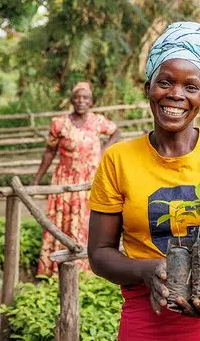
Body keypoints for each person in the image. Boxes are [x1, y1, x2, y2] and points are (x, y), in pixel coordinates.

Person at [87, 22, 200, 341]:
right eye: (165, 82)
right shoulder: (118, 159)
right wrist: (145, 270)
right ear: (148, 88)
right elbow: (100, 253)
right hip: (149, 317)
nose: (176, 94)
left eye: (190, 86)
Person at [33, 81, 120, 275]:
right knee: (61, 223)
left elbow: (116, 131)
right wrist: (37, 179)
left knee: (89, 223)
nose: (81, 101)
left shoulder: (98, 121)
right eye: (78, 97)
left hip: (90, 181)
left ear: (91, 101)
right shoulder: (59, 123)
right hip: (65, 180)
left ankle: (88, 270)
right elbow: (49, 152)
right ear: (72, 100)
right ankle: (56, 269)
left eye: (85, 98)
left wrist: (105, 150)